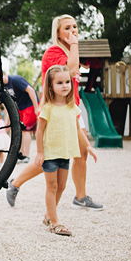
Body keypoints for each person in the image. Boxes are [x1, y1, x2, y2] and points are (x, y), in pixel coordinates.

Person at [6, 14, 104, 211]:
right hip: (56, 111)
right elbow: (71, 69)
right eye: (67, 28)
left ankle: (80, 196)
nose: (73, 31)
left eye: (75, 26)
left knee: (81, 152)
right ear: (58, 33)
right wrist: (75, 45)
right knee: (50, 157)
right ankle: (15, 183)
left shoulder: (69, 51)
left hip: (71, 108)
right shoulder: (53, 52)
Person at [36, 65, 97, 236]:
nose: (65, 85)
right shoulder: (47, 108)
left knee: (62, 186)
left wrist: (89, 147)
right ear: (51, 86)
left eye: (67, 82)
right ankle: (55, 222)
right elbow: (39, 131)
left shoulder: (72, 107)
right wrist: (40, 152)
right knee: (52, 186)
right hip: (50, 155)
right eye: (60, 82)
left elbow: (78, 130)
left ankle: (49, 214)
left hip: (65, 153)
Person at [0, 69, 39, 163]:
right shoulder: (4, 87)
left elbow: (31, 90)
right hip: (20, 106)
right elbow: (10, 104)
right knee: (18, 129)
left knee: (25, 130)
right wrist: (6, 121)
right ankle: (20, 154)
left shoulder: (15, 80)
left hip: (29, 104)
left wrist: (36, 108)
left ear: (3, 74)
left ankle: (26, 155)